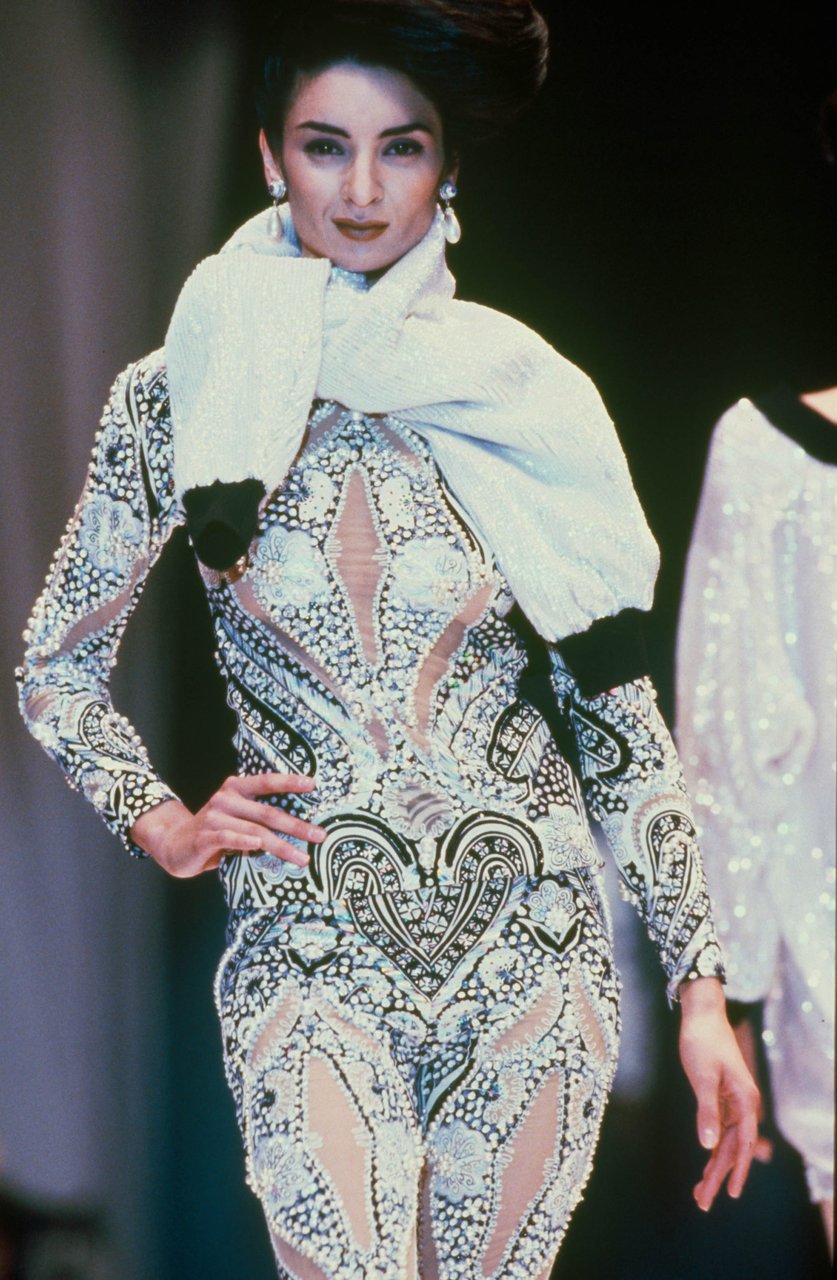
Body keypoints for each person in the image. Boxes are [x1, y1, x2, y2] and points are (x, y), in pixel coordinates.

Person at [17, 3, 759, 1276]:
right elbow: (55, 667)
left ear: (447, 162)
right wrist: (164, 821)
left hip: (534, 938)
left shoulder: (528, 398)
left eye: (400, 147)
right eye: (325, 145)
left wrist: (700, 987)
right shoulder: (183, 390)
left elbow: (619, 723)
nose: (361, 189)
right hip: (307, 937)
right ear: (269, 155)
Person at [676, 382, 836, 1255]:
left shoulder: (767, 448)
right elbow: (727, 738)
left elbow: (731, 738)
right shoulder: (767, 447)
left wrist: (727, 982)